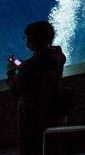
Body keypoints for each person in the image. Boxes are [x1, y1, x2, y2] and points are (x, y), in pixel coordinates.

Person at [5, 21, 67, 155]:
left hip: (33, 116)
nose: (25, 40)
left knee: (31, 146)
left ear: (32, 42)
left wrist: (11, 73)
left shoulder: (30, 67)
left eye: (26, 38)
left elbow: (15, 90)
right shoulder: (58, 56)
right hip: (54, 109)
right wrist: (23, 66)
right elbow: (39, 65)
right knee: (52, 145)